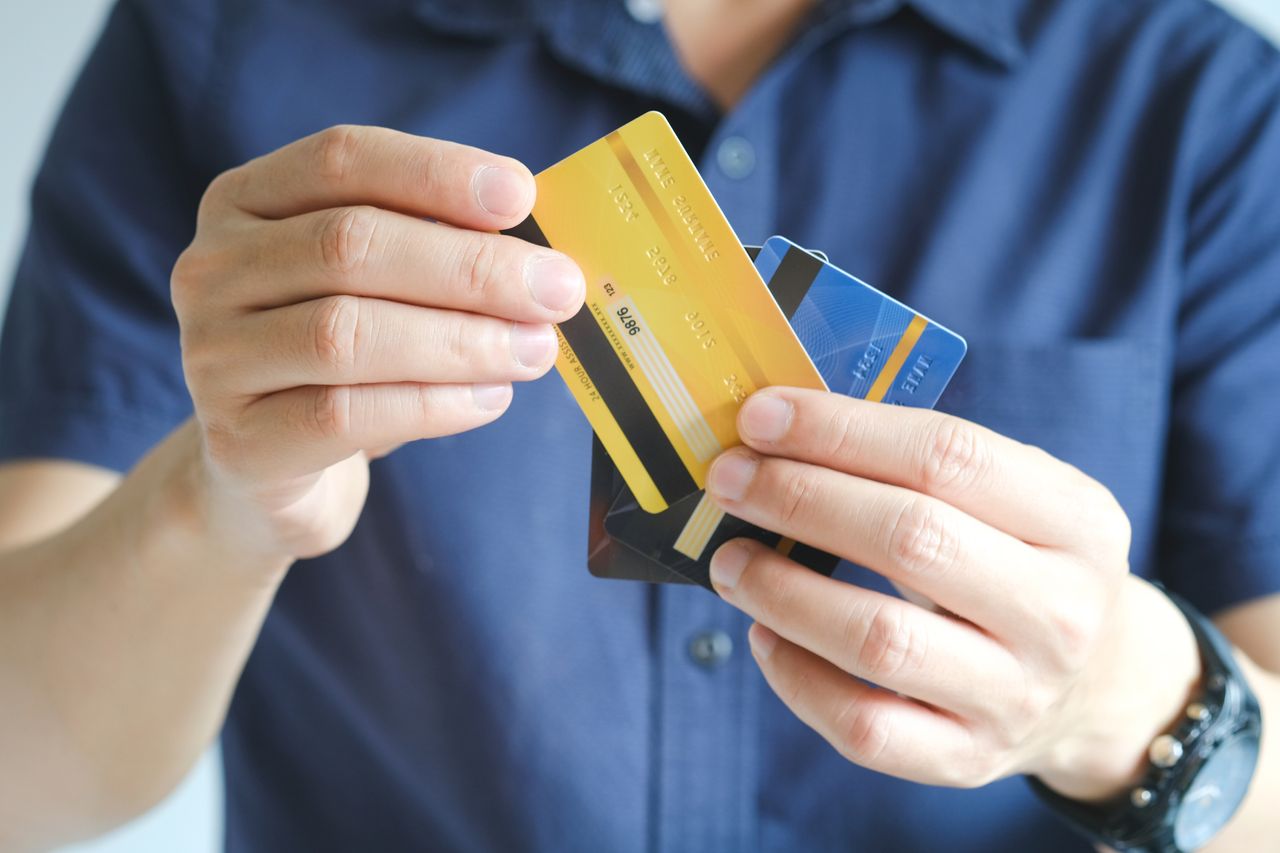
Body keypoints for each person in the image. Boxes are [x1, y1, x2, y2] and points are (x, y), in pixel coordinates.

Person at [0, 0, 1277, 850]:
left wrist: (1123, 702)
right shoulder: (220, 36)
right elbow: (24, 775)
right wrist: (225, 500)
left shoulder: (1196, 102)